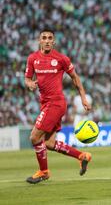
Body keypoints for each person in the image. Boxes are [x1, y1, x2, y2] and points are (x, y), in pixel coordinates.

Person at [24, 29, 92, 184]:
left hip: (56, 103)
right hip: (46, 104)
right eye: (44, 38)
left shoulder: (61, 59)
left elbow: (75, 78)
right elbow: (27, 79)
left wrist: (83, 98)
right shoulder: (32, 58)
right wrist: (30, 84)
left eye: (50, 38)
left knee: (34, 137)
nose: (47, 40)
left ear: (54, 41)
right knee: (49, 143)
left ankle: (44, 171)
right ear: (39, 40)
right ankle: (82, 156)